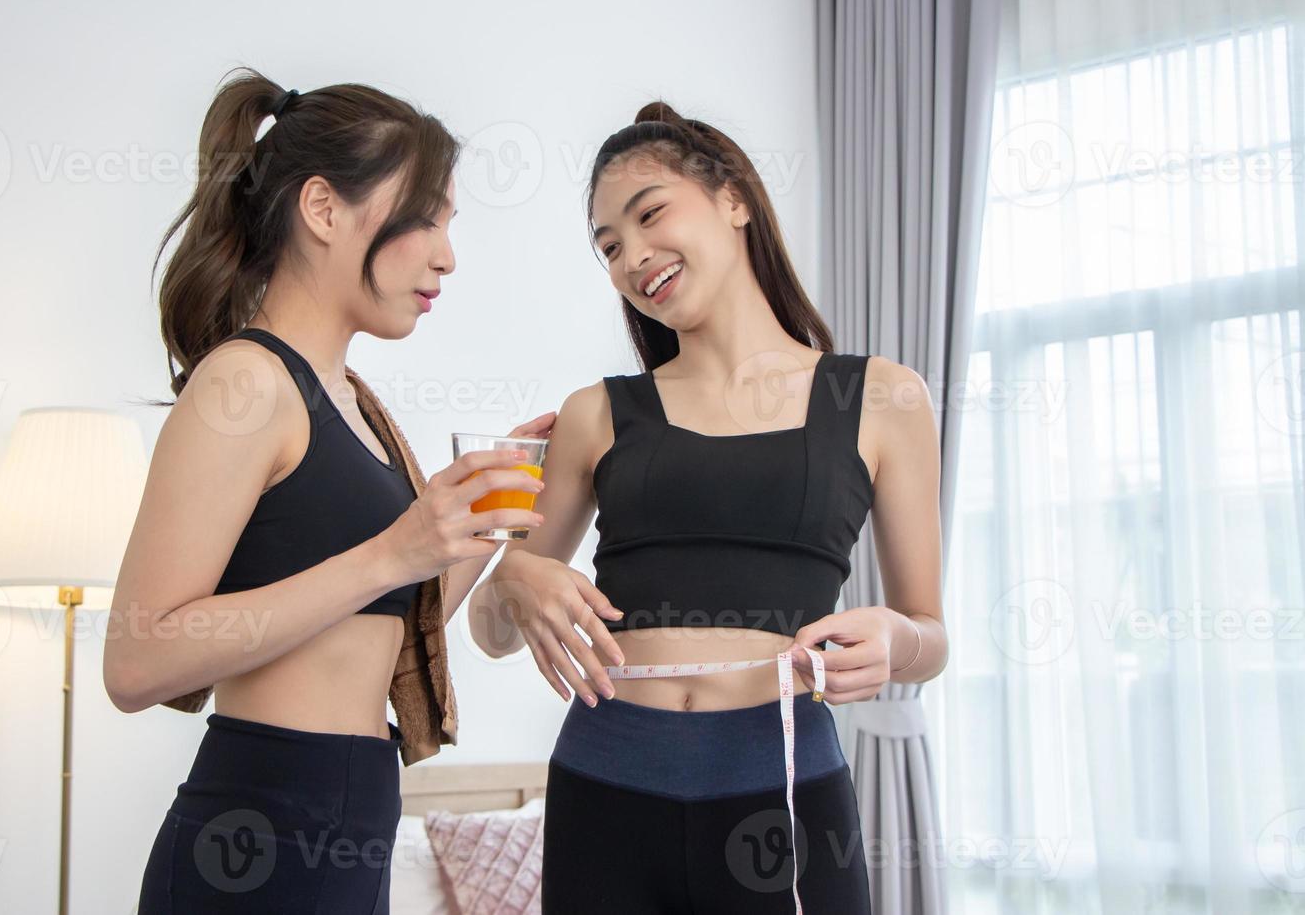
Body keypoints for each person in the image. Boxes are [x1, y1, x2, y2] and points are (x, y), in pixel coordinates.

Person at [470, 102, 948, 913]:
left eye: (651, 214)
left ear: (735, 200)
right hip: (606, 784)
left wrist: (897, 641)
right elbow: (490, 631)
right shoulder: (596, 412)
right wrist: (514, 575)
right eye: (610, 246)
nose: (632, 257)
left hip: (785, 789)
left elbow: (929, 637)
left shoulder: (883, 398)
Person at [103, 68, 552, 913]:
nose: (447, 254)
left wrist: (487, 517)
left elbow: (384, 622)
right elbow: (136, 661)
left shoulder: (353, 402)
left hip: (353, 819)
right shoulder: (245, 382)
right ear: (322, 209)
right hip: (258, 827)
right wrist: (392, 550)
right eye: (426, 218)